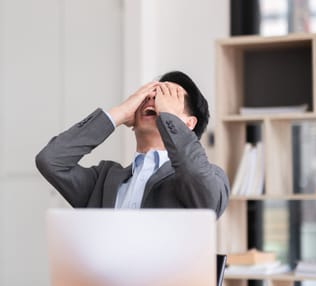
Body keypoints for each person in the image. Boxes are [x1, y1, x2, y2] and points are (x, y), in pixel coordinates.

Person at [35, 71, 229, 217]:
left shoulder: (211, 178)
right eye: (149, 95)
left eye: (167, 97)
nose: (154, 100)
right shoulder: (103, 181)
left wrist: (168, 117)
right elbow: (51, 160)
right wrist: (117, 113)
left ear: (188, 124)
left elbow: (204, 194)